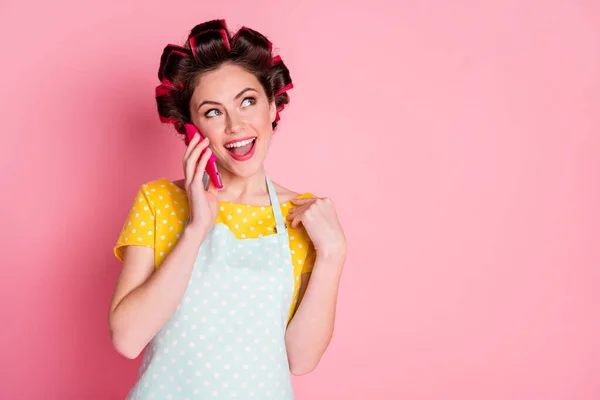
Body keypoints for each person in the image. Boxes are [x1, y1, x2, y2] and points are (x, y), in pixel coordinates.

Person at [108, 19, 347, 399]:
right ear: (192, 129)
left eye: (247, 101)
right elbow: (128, 338)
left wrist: (332, 256)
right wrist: (196, 229)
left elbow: (300, 360)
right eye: (213, 112)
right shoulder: (159, 202)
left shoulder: (303, 217)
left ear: (272, 107)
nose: (236, 125)